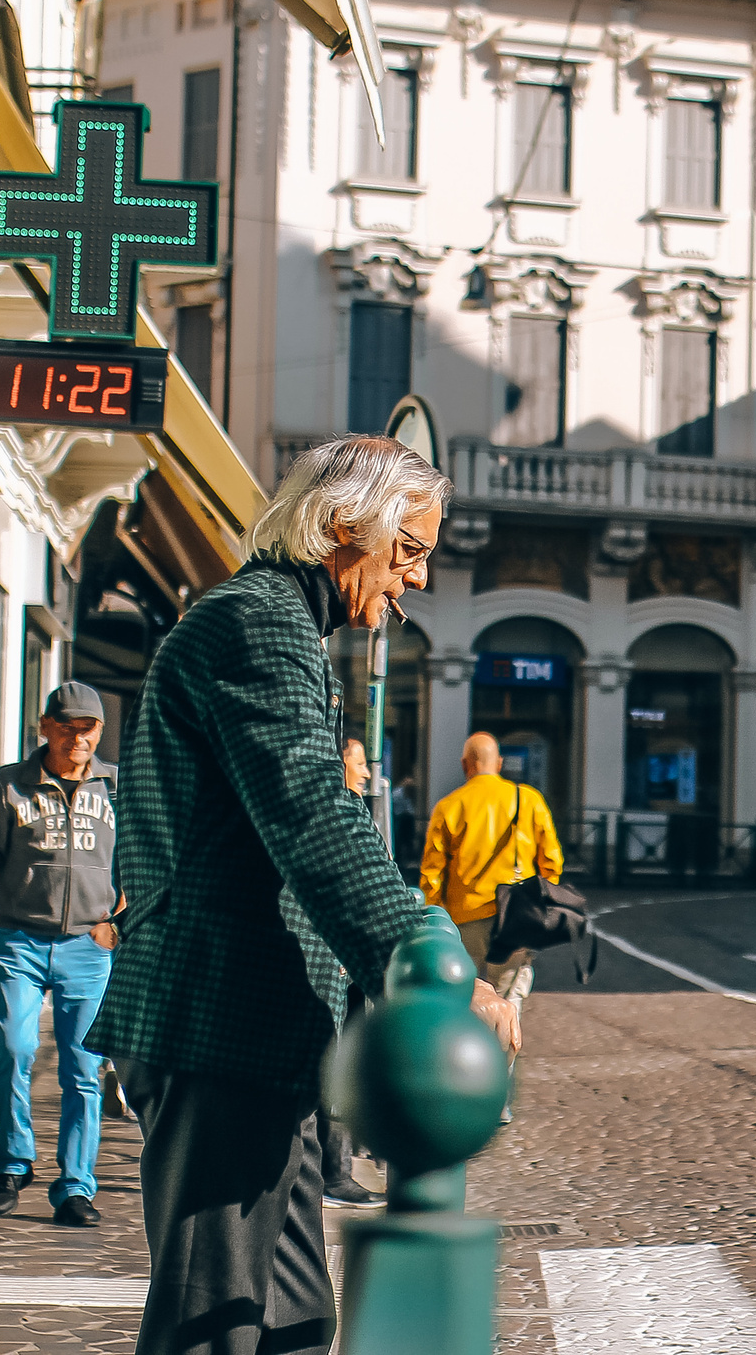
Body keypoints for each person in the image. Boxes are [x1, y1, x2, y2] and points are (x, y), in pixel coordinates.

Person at [87, 436, 517, 1355]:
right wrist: (423, 952)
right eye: (408, 550)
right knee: (211, 1322)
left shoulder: (275, 621)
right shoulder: (258, 622)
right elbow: (312, 816)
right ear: (340, 524)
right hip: (221, 1022)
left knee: (289, 1319)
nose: (420, 578)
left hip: (259, 1033)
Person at [0, 682, 121, 1227]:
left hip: (87, 947)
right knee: (14, 1046)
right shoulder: (10, 786)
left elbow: (144, 863)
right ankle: (12, 1163)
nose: (80, 737)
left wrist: (117, 923)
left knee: (82, 1069)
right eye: (68, 726)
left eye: (89, 727)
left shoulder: (117, 787)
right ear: (45, 727)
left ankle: (75, 1186)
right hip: (20, 940)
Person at [420, 731, 563, 1056]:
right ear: (498, 763)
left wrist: (436, 917)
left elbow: (431, 873)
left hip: (462, 920)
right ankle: (499, 1090)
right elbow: (551, 860)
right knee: (508, 1003)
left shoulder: (449, 806)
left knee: (459, 999)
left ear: (465, 765)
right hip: (513, 919)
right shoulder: (528, 800)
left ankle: (459, 1072)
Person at [317, 737, 385, 1211]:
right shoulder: (336, 814)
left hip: (352, 961)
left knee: (350, 1057)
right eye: (359, 764)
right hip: (338, 962)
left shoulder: (357, 811)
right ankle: (335, 1175)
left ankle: (342, 1162)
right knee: (338, 1059)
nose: (367, 773)